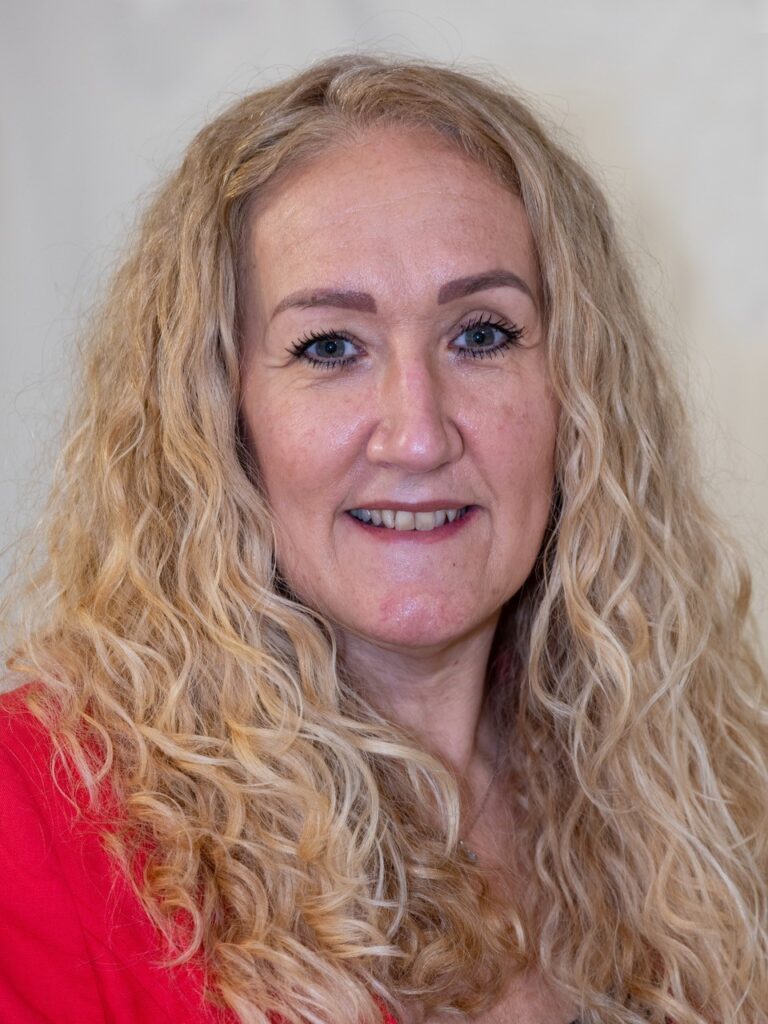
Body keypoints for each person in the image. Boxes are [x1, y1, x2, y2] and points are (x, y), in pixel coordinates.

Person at [0, 53, 766, 1024]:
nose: (417, 431)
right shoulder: (30, 817)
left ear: (582, 397)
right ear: (215, 416)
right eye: (330, 347)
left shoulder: (705, 809)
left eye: (481, 334)